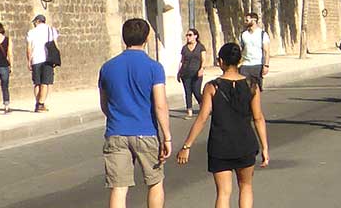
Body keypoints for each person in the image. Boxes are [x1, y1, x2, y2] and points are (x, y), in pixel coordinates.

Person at [175, 43, 268, 208]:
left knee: (223, 192)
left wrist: (186, 146)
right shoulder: (252, 85)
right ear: (239, 61)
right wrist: (265, 147)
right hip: (245, 143)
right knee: (246, 187)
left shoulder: (212, 87)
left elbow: (202, 118)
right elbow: (258, 118)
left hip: (220, 145)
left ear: (220, 61)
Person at [99, 18, 172, 208]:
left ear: (124, 38)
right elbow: (160, 105)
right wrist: (167, 137)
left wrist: (117, 118)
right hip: (146, 131)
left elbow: (104, 105)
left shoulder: (107, 67)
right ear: (147, 38)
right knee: (155, 182)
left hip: (116, 131)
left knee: (119, 187)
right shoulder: (154, 67)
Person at [27, 14, 58, 113]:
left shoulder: (31, 32)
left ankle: (38, 103)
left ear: (37, 21)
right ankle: (41, 104)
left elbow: (29, 48)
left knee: (37, 83)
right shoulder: (51, 30)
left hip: (35, 60)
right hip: (47, 59)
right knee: (45, 82)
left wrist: (29, 60)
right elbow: (55, 45)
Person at [177, 29, 208, 118]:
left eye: (190, 35)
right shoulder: (184, 48)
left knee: (196, 91)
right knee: (187, 92)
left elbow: (204, 59)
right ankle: (189, 112)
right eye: (187, 35)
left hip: (196, 73)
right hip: (185, 73)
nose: (188, 37)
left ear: (195, 36)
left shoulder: (200, 47)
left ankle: (204, 106)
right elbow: (182, 61)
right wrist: (178, 72)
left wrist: (201, 69)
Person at [238, 14, 274, 89]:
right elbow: (241, 50)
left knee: (256, 90)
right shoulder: (243, 35)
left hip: (257, 65)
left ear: (254, 20)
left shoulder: (262, 34)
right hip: (245, 66)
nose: (245, 22)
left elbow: (266, 51)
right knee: (244, 89)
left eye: (247, 20)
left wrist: (266, 65)